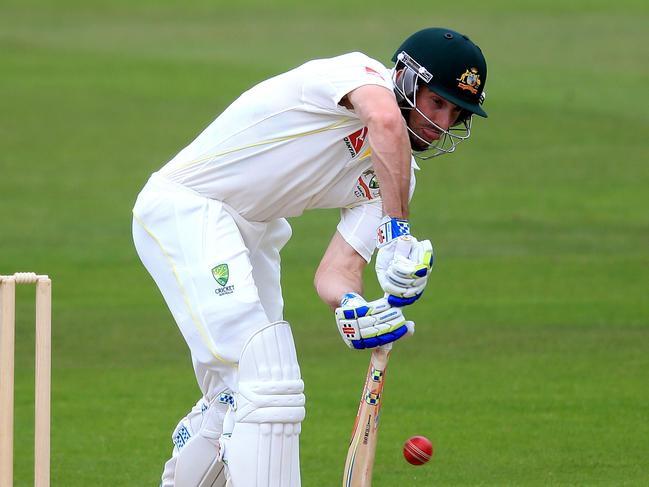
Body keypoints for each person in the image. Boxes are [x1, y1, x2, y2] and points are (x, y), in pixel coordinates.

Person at [132, 26, 487, 487]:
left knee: (237, 396)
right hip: (189, 209)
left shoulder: (396, 179)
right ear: (405, 77)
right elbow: (384, 121)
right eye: (436, 101)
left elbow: (336, 274)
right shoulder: (355, 77)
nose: (440, 121)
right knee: (267, 377)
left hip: (252, 233)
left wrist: (356, 309)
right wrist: (398, 235)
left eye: (454, 112)